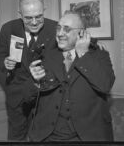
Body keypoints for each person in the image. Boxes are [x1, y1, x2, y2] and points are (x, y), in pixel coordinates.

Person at [28, 10, 115, 142]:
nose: (60, 33)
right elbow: (31, 98)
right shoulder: (46, 55)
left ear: (81, 33)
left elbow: (105, 85)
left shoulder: (100, 55)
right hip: (48, 136)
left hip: (87, 137)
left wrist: (83, 55)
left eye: (67, 29)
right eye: (58, 28)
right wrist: (35, 82)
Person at [0, 0, 57, 141]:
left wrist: (94, 45)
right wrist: (5, 62)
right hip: (17, 97)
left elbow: (76, 36)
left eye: (39, 16)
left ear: (44, 10)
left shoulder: (55, 27)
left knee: (44, 137)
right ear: (20, 14)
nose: (34, 22)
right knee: (16, 136)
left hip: (46, 95)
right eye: (28, 18)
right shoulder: (8, 28)